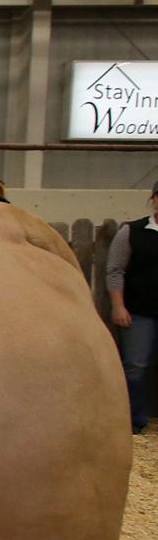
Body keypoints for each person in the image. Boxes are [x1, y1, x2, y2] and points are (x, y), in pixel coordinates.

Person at [107, 181, 158, 435]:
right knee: (136, 366)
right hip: (139, 311)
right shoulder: (131, 232)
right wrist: (118, 305)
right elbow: (115, 270)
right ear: (153, 199)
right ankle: (133, 421)